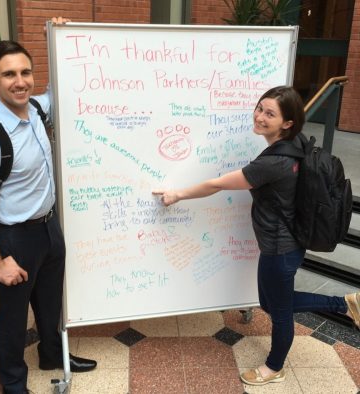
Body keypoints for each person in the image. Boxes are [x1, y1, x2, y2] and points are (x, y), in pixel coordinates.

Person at [153, 86, 360, 386]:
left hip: (280, 248)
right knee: (272, 302)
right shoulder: (297, 145)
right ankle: (345, 304)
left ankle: (274, 367)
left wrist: (178, 194)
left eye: (270, 114)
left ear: (287, 123)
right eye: (260, 108)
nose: (260, 116)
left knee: (278, 310)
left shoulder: (273, 163)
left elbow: (217, 184)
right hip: (289, 242)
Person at [0, 23, 97, 394]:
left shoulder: (35, 108)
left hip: (49, 229)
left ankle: (52, 354)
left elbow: (59, 89)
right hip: (15, 237)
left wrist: (62, 38)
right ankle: (13, 382)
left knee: (50, 303)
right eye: (8, 74)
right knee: (13, 315)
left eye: (25, 72)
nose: (20, 81)